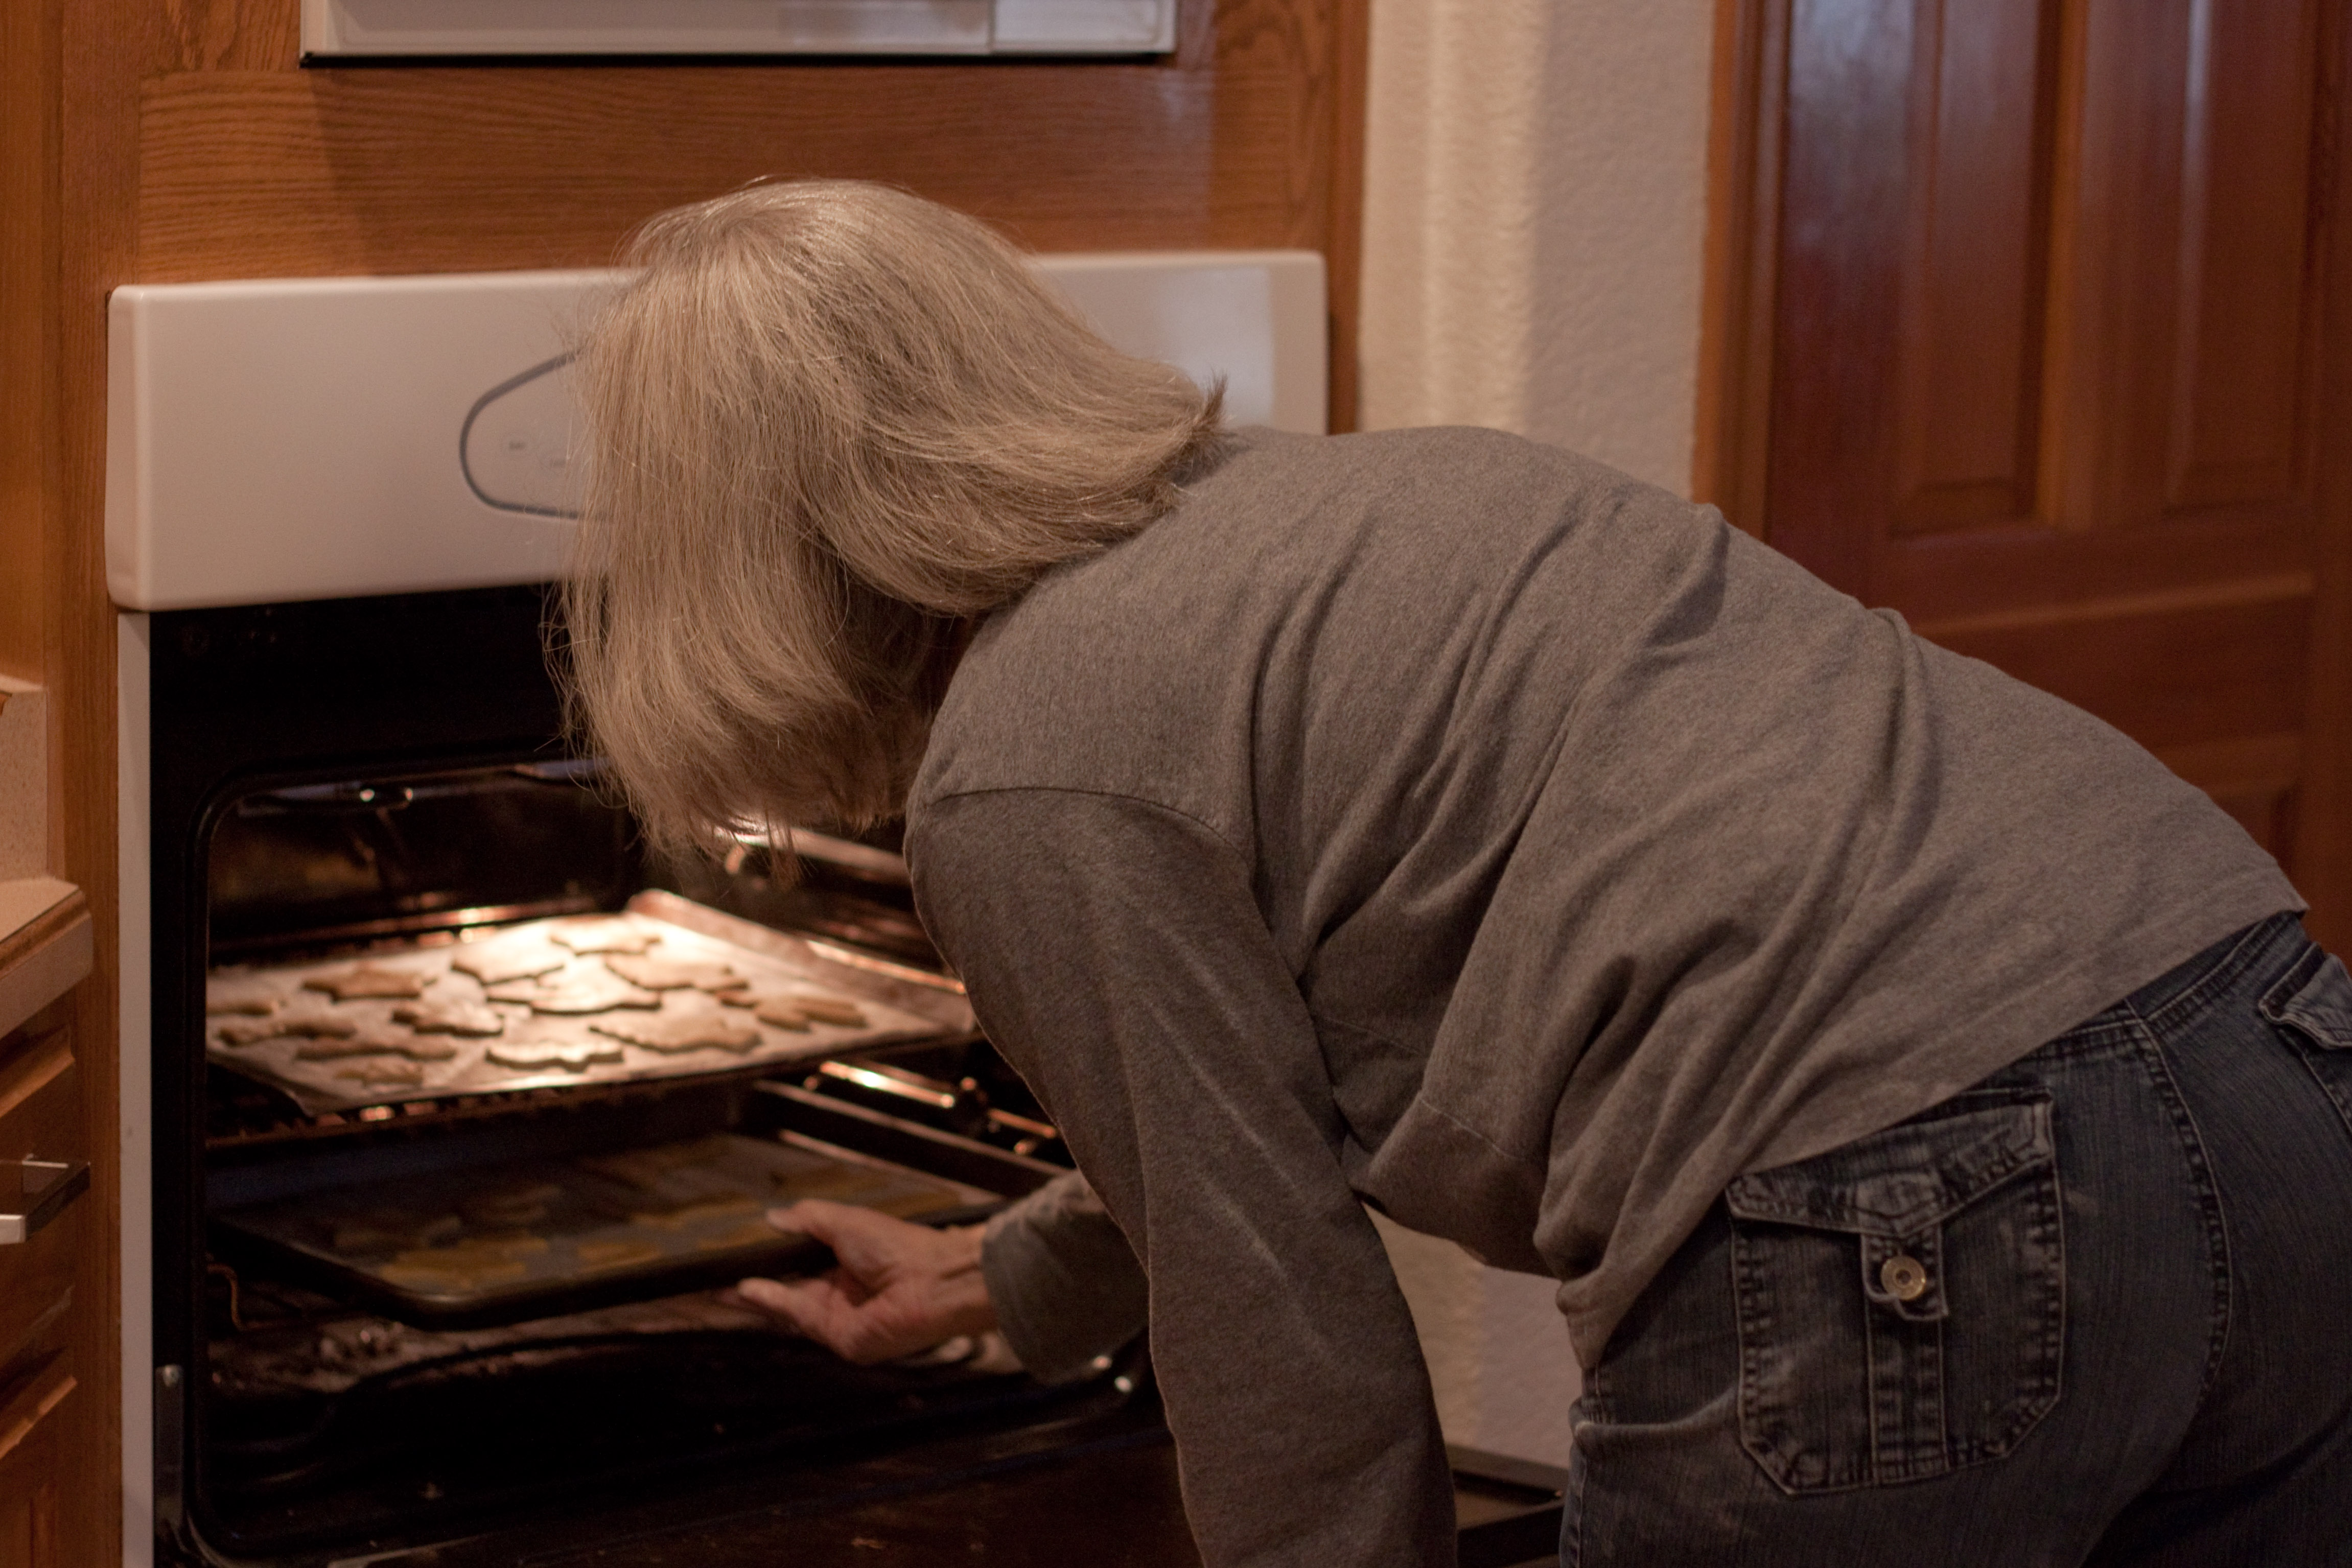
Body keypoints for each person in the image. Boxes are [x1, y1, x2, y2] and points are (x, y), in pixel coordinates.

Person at [561, 179, 2352, 1567]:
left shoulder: (1029, 772)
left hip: (1902, 1202)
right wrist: (1001, 1277)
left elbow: (1274, 1319)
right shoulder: (1376, 501)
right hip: (2271, 1051)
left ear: (729, 545)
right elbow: (1228, 1116)